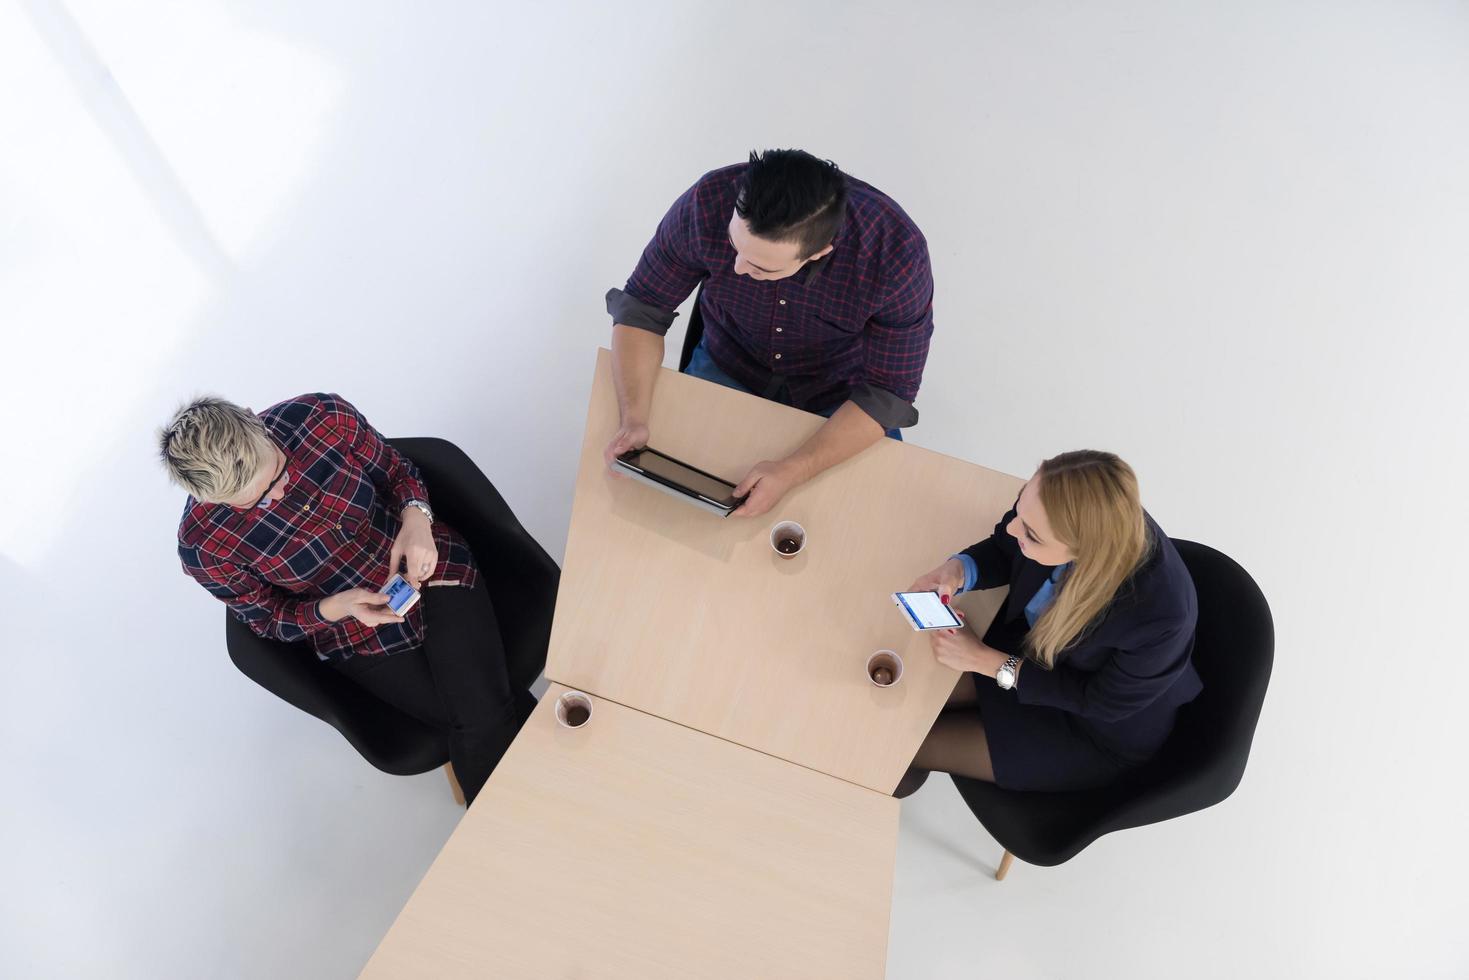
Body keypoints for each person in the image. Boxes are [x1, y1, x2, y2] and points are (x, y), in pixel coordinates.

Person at [159, 394, 540, 805]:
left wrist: (416, 518)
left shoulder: (322, 417)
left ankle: (506, 847)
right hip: (355, 632)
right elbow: (267, 619)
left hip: (429, 569)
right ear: (211, 500)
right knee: (483, 713)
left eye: (277, 471)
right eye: (256, 500)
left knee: (478, 719)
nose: (279, 491)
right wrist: (336, 607)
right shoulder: (205, 547)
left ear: (256, 420)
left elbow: (398, 471)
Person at [603, 148, 935, 517]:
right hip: (730, 360)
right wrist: (632, 418)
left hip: (839, 393)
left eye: (761, 267)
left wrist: (796, 469)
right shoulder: (707, 201)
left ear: (819, 252)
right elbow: (641, 310)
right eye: (733, 245)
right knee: (673, 511)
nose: (738, 268)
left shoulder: (896, 255)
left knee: (861, 518)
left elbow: (886, 395)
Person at [897, 451, 1202, 796]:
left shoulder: (1160, 619)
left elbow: (1100, 702)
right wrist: (957, 572)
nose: (1013, 529)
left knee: (905, 749)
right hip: (1034, 655)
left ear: (1086, 551)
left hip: (1086, 725)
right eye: (1021, 504)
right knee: (901, 705)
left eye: (1031, 534)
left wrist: (984, 660)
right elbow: (1004, 548)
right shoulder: (1062, 505)